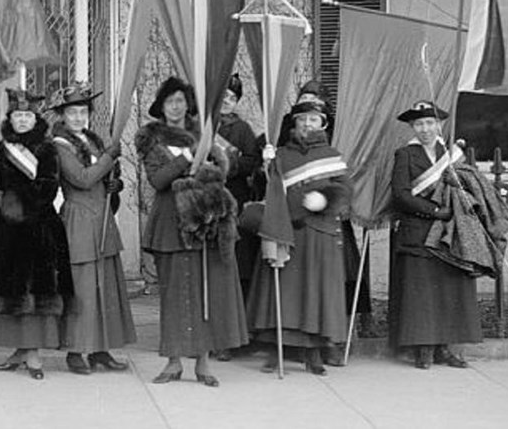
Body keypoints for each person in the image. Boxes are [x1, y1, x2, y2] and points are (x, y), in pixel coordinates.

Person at [136, 76, 246, 387]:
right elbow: (158, 180)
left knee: (204, 293)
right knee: (173, 295)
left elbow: (228, 167)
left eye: (180, 101)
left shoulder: (205, 133)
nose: (175, 106)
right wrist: (188, 157)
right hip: (169, 222)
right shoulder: (151, 138)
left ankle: (203, 362)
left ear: (188, 105)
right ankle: (172, 362)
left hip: (203, 220)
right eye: (170, 101)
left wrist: (209, 164)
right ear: (162, 106)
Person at [0, 88, 72, 380]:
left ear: (36, 118)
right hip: (5, 232)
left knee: (34, 290)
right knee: (12, 289)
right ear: (10, 118)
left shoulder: (47, 149)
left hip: (37, 229)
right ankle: (18, 349)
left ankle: (33, 354)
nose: (23, 120)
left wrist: (14, 201)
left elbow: (47, 188)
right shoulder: (0, 149)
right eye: (18, 115)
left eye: (28, 115)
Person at [246, 100, 349, 375]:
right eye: (302, 119)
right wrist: (264, 167)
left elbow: (345, 190)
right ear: (294, 124)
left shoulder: (332, 155)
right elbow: (262, 190)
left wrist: (326, 198)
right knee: (281, 295)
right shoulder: (280, 154)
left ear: (323, 124)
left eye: (313, 120)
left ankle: (313, 352)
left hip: (318, 233)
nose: (307, 124)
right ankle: (275, 349)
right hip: (284, 230)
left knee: (313, 296)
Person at [388, 100, 480, 369]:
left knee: (448, 290)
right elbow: (401, 194)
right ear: (412, 127)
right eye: (419, 124)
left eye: (430, 123)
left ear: (439, 125)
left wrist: (452, 203)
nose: (425, 129)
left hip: (449, 232)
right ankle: (423, 349)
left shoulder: (451, 155)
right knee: (422, 293)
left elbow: (469, 187)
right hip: (418, 231)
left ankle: (444, 349)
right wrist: (433, 210)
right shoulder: (405, 155)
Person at [50, 83, 135, 375]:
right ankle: (75, 350)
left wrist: (116, 183)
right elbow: (82, 178)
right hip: (79, 219)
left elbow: (104, 176)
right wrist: (110, 158)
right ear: (62, 115)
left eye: (82, 111)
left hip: (102, 219)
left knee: (104, 288)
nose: (77, 117)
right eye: (71, 112)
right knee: (82, 288)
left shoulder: (93, 141)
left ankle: (101, 349)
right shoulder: (59, 146)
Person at [215, 75, 262, 317]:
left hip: (235, 196)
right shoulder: (205, 126)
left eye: (232, 98)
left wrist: (227, 164)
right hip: (209, 198)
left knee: (237, 260)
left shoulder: (242, 129)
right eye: (223, 96)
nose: (227, 101)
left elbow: (252, 160)